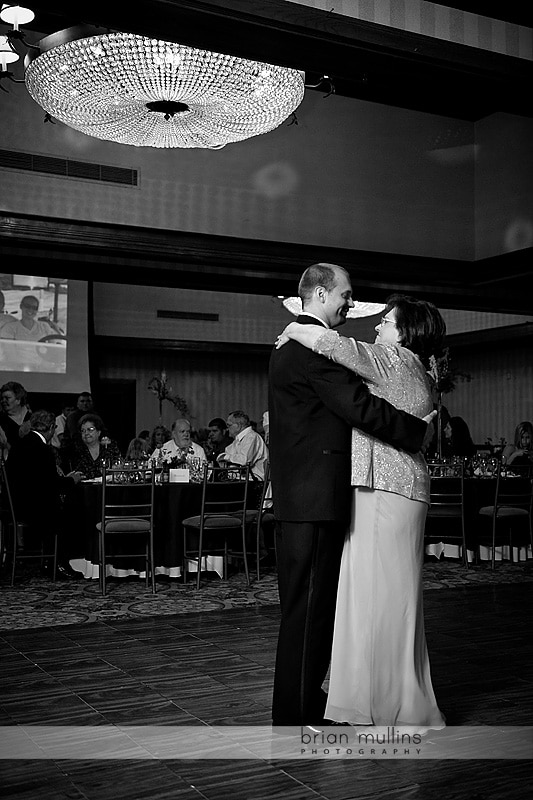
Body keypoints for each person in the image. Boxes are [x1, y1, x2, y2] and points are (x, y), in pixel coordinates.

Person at [268, 263, 435, 727]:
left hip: (298, 497)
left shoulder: (290, 346)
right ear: (321, 294)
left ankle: (297, 706)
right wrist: (417, 432)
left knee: (304, 610)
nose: (352, 304)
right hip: (315, 498)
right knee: (311, 612)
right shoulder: (311, 348)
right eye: (346, 295)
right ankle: (298, 712)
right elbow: (359, 407)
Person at [5, 409, 83, 578]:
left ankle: (50, 562)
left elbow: (41, 480)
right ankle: (59, 564)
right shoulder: (42, 449)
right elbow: (51, 484)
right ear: (51, 427)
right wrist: (72, 480)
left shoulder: (20, 444)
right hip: (34, 508)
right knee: (72, 514)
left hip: (16, 505)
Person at [217, 410, 269, 480]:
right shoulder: (237, 440)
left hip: (254, 482)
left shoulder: (252, 437)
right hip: (240, 481)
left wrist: (226, 457)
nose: (227, 429)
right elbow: (228, 454)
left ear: (238, 425)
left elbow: (244, 461)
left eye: (229, 425)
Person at [72, 413, 121, 479]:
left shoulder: (110, 447)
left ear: (99, 432)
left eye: (90, 429)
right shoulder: (77, 450)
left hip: (108, 487)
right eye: (83, 431)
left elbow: (118, 469)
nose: (86, 433)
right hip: (84, 487)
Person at [0, 381, 32, 456]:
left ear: (18, 400)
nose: (3, 401)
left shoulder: (32, 419)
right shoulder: (1, 420)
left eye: (7, 398)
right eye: (2, 398)